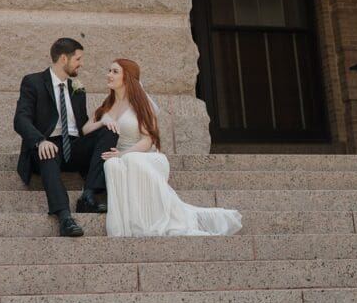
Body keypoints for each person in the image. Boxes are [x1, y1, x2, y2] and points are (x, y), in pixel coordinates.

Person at [85, 58, 242, 238]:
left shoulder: (141, 105)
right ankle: (128, 226)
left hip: (145, 156)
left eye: (114, 72)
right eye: (109, 70)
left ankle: (162, 219)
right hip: (120, 158)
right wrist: (102, 121)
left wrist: (123, 154)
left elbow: (148, 140)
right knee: (110, 165)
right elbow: (85, 129)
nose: (109, 75)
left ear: (127, 77)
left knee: (129, 159)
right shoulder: (107, 106)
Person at [14, 37, 118, 237]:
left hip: (73, 146)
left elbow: (83, 126)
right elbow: (20, 119)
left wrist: (103, 122)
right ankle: (64, 217)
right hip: (47, 145)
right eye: (78, 59)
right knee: (49, 152)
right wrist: (39, 140)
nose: (81, 63)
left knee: (110, 130)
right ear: (64, 59)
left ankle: (88, 196)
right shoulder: (33, 82)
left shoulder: (77, 89)